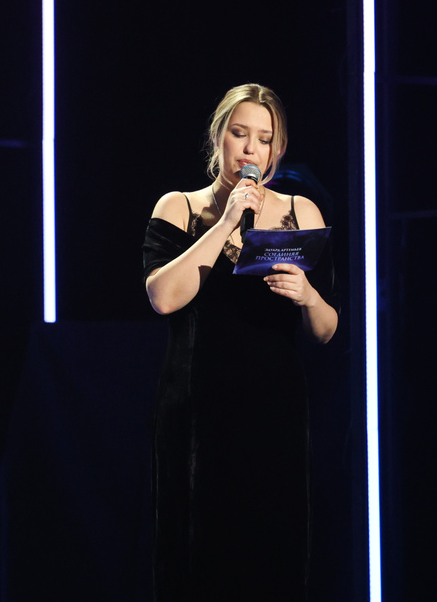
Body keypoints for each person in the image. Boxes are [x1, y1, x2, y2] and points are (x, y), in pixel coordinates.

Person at [142, 83, 339, 601]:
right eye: (239, 133)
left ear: (278, 149)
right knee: (198, 557)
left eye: (264, 139)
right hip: (197, 414)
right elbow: (163, 297)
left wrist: (308, 295)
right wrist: (228, 220)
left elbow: (326, 329)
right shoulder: (179, 207)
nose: (251, 149)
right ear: (219, 137)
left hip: (273, 413)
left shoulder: (301, 212)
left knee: (269, 556)